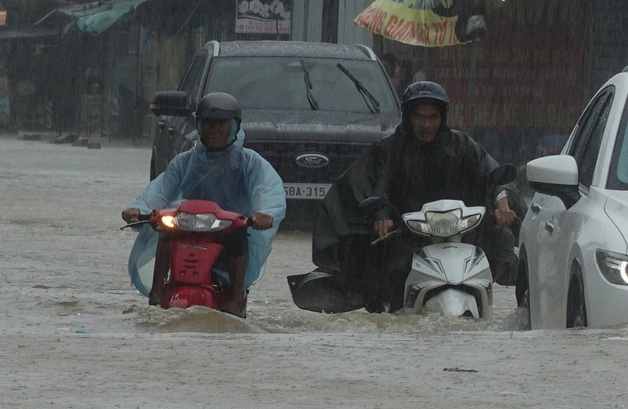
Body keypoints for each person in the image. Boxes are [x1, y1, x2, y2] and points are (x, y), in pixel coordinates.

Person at [310, 81, 518, 312]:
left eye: (433, 117)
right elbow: (379, 185)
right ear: (408, 117)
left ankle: (490, 293)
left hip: (459, 229)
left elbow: (491, 172)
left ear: (443, 117)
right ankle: (393, 308)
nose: (426, 124)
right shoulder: (390, 148)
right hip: (408, 232)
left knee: (504, 238)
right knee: (389, 260)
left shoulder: (461, 144)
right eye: (419, 117)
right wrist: (382, 216)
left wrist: (503, 206)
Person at [122, 92, 283, 317]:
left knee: (238, 238)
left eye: (221, 124)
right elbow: (159, 191)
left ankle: (236, 300)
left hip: (228, 229)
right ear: (198, 125)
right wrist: (139, 210)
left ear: (234, 126)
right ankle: (157, 293)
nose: (214, 130)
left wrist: (263, 213)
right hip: (187, 228)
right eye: (208, 123)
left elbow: (267, 189)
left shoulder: (249, 162)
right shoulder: (184, 161)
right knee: (166, 230)